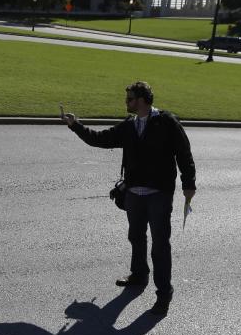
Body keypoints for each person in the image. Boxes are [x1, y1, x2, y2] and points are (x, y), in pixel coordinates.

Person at [61, 81, 196, 317]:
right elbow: (100, 139)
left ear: (143, 100)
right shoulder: (129, 126)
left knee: (160, 245)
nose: (126, 102)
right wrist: (75, 126)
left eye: (130, 99)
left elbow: (184, 152)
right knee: (135, 236)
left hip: (159, 194)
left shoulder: (166, 122)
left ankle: (164, 294)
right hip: (134, 193)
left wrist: (189, 184)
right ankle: (139, 274)